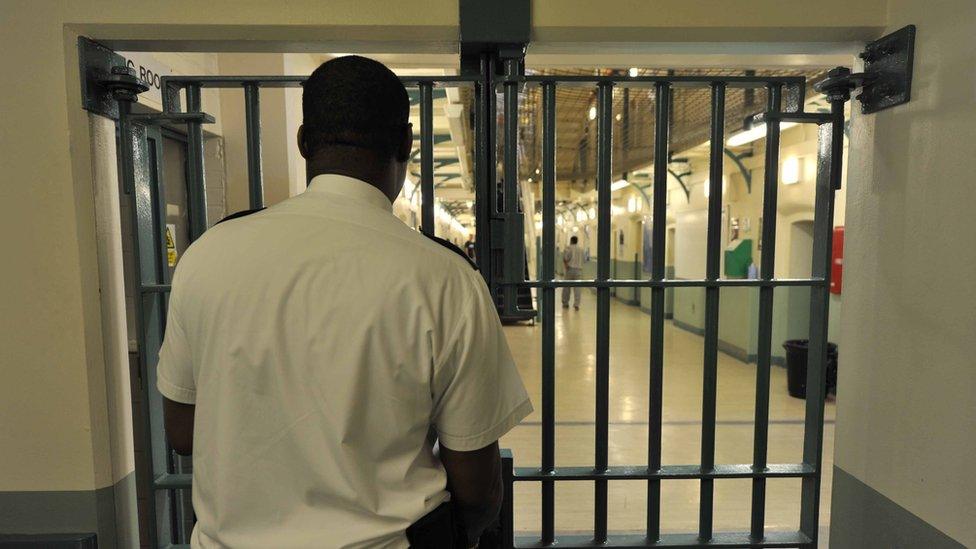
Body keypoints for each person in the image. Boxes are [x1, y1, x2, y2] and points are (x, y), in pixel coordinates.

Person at [156, 56, 531, 549]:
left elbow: (183, 434)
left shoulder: (208, 256)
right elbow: (478, 489)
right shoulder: (444, 279)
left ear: (304, 142)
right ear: (407, 144)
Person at [562, 235, 585, 310]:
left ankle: (565, 303)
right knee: (577, 288)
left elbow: (565, 258)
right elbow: (584, 259)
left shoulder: (568, 248)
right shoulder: (581, 249)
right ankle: (576, 304)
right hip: (579, 270)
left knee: (566, 287)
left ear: (571, 241)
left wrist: (566, 265)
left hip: (570, 269)